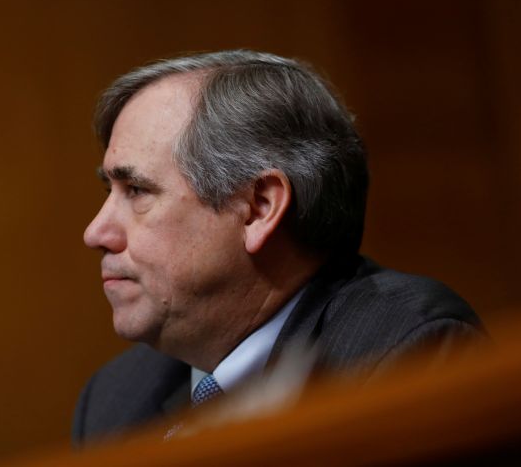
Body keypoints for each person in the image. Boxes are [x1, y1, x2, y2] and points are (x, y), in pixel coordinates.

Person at [73, 50, 482, 445]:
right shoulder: (113, 401)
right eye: (110, 191)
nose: (96, 232)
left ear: (259, 208)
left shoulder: (401, 353)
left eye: (138, 190)